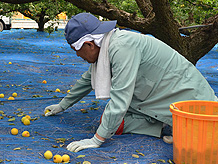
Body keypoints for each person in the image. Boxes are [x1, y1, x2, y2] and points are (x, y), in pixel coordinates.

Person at [44, 13, 218, 152]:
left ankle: (180, 128)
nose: (77, 56)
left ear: (90, 44)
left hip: (188, 96)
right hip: (156, 94)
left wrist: (96, 140)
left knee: (111, 120)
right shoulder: (106, 46)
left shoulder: (121, 47)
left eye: (77, 50)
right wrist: (62, 105)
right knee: (112, 121)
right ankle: (168, 126)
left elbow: (120, 97)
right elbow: (88, 80)